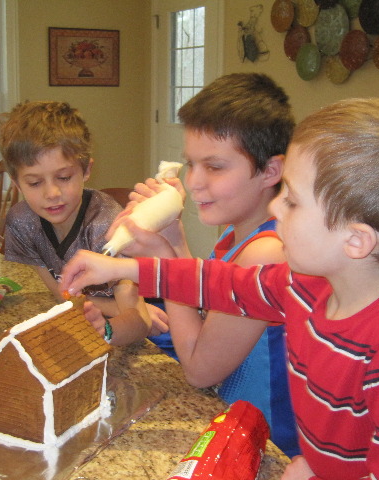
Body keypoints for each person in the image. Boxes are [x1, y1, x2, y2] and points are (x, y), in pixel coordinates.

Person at [60, 98, 379, 479]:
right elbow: (221, 284)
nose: (275, 206)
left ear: (356, 240)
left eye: (293, 201)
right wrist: (121, 266)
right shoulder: (304, 287)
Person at [113, 72, 300, 457]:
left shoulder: (266, 254)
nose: (194, 182)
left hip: (267, 448)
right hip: (230, 422)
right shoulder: (237, 235)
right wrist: (173, 235)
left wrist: (165, 266)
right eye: (191, 164)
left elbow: (200, 369)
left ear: (270, 171)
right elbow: (204, 310)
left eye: (214, 167)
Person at [0, 100, 168, 346]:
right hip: (100, 313)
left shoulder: (106, 225)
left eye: (64, 177)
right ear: (16, 183)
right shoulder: (21, 222)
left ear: (86, 170)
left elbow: (140, 320)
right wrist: (113, 310)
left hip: (156, 319)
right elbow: (61, 293)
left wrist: (110, 324)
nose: (52, 193)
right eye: (35, 183)